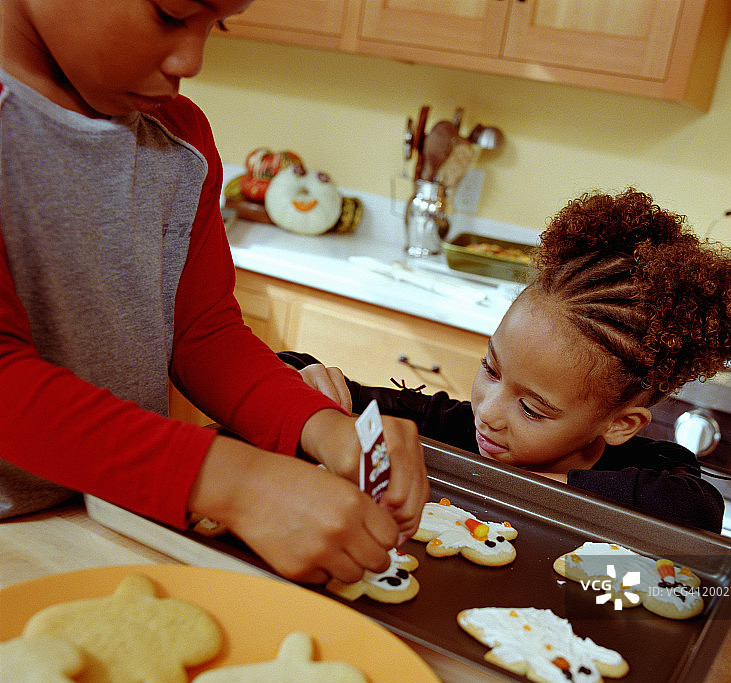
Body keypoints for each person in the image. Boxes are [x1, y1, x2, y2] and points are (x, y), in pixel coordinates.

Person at [0, 0, 429, 584]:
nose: (192, 59)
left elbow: (204, 332)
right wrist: (232, 480)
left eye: (216, 24)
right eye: (170, 14)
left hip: (116, 521)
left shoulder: (180, 137)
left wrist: (323, 426)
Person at [281, 188, 731, 534]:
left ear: (621, 424)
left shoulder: (656, 475)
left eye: (532, 409)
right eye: (491, 370)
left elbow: (698, 510)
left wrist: (518, 484)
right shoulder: (456, 426)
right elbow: (306, 376)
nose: (488, 411)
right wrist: (312, 383)